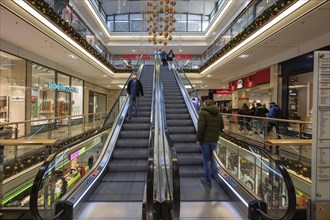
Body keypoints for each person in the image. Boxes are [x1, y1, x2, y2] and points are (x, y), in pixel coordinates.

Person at [196, 99, 224, 188]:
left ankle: (208, 181)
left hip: (205, 140)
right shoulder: (218, 114)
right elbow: (222, 127)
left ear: (206, 105)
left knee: (206, 160)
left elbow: (201, 127)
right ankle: (216, 178)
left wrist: (198, 139)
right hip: (214, 140)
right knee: (212, 159)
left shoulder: (203, 113)